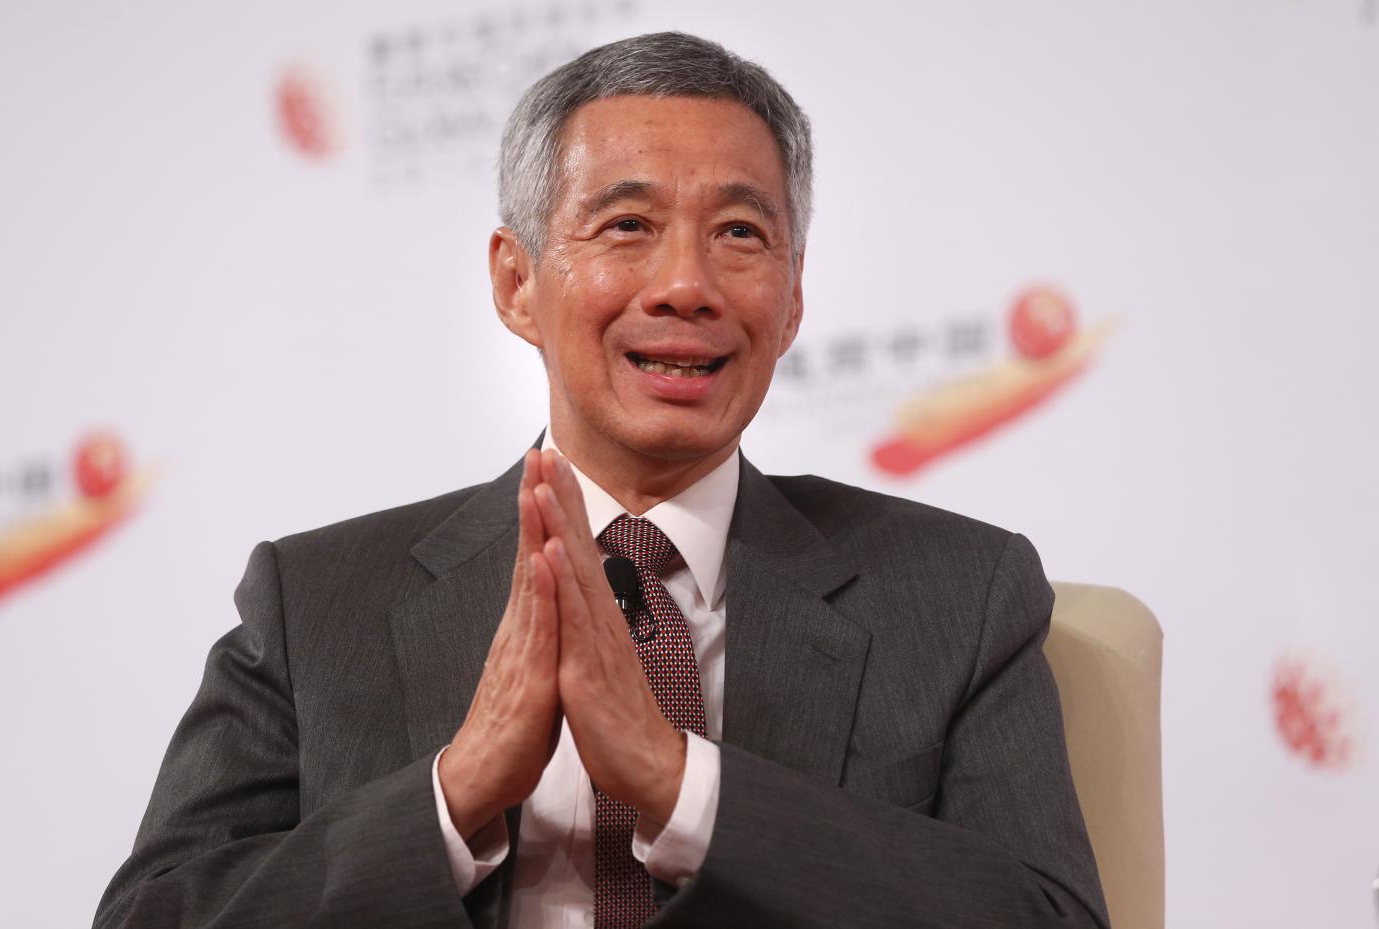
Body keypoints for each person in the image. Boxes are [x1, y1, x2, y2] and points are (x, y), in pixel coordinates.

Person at [94, 32, 1108, 929]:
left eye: (740, 233)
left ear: (794, 297)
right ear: (516, 281)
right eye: (628, 225)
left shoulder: (958, 594)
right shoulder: (317, 601)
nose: (686, 285)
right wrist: (455, 790)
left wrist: (682, 785)